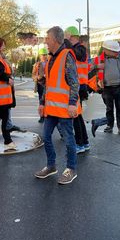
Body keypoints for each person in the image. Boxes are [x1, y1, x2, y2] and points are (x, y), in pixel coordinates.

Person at [34, 26, 79, 185]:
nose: (45, 41)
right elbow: (48, 84)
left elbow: (75, 83)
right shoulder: (51, 58)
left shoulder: (67, 56)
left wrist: (72, 104)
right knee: (46, 136)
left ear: (56, 40)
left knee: (68, 140)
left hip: (65, 109)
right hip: (51, 108)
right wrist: (42, 102)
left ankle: (71, 169)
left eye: (48, 38)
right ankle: (51, 166)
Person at [64, 26, 90, 153]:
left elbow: (77, 55)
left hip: (78, 86)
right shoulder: (77, 48)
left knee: (75, 116)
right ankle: (84, 142)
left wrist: (67, 43)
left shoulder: (80, 48)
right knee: (78, 116)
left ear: (71, 36)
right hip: (79, 86)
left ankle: (80, 143)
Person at [97, 40, 120, 135]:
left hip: (119, 86)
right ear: (106, 50)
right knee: (109, 108)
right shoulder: (101, 58)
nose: (116, 52)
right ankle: (109, 125)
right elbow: (93, 67)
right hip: (107, 87)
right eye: (114, 50)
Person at [32, 48, 48, 123]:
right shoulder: (37, 65)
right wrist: (36, 77)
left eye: (45, 55)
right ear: (40, 56)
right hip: (40, 85)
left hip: (48, 84)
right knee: (41, 101)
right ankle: (42, 116)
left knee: (48, 101)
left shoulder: (50, 63)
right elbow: (33, 75)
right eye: (42, 55)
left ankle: (47, 115)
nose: (44, 56)